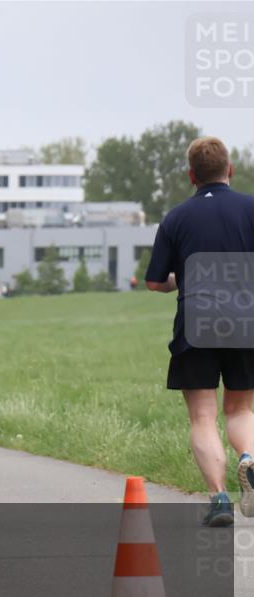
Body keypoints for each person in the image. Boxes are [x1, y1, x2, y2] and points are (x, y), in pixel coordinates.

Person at [145, 136, 254, 526]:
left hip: (196, 323)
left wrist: (183, 278)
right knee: (241, 408)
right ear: (231, 170)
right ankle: (249, 458)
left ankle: (220, 499)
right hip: (246, 321)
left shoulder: (176, 218)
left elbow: (155, 282)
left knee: (203, 417)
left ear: (192, 175)